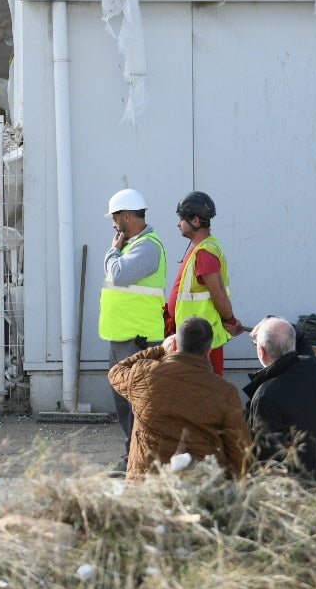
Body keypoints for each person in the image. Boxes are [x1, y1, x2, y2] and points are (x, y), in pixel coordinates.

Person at [107, 316, 252, 483]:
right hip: (200, 488)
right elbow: (238, 448)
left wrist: (160, 349)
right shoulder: (226, 391)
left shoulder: (143, 374)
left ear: (174, 345)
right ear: (208, 351)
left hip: (146, 487)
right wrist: (233, 486)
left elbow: (116, 371)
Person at [100, 187, 167, 471]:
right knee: (126, 402)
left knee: (137, 402)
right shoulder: (133, 245)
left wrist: (112, 251)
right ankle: (133, 455)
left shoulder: (147, 246)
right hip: (123, 337)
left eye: (115, 219)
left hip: (138, 340)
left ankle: (141, 459)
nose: (113, 225)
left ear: (127, 217)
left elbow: (119, 274)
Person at [243, 317, 316, 488]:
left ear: (261, 351)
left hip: (294, 492)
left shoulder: (265, 395)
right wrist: (270, 320)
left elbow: (266, 456)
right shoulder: (312, 367)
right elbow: (301, 340)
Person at [166, 190, 242, 376]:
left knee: (206, 390)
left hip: (201, 340)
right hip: (194, 337)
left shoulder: (205, 253)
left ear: (195, 220)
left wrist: (231, 321)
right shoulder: (201, 249)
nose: (178, 223)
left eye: (181, 218)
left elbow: (219, 295)